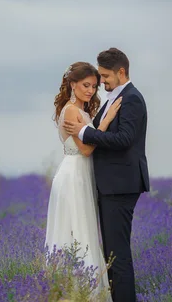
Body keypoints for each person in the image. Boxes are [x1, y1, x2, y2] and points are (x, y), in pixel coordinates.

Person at [63, 48, 150, 302]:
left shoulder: (132, 98)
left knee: (118, 255)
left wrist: (84, 132)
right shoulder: (115, 98)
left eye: (104, 76)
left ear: (121, 72)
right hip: (110, 186)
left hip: (120, 186)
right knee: (112, 254)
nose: (101, 83)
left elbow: (124, 139)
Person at [45, 61, 122, 301]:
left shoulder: (84, 112)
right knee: (77, 233)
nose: (90, 91)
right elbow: (86, 150)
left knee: (84, 231)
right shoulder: (71, 111)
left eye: (94, 86)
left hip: (81, 176)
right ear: (72, 84)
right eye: (86, 85)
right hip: (73, 177)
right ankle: (77, 294)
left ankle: (84, 292)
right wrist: (106, 121)